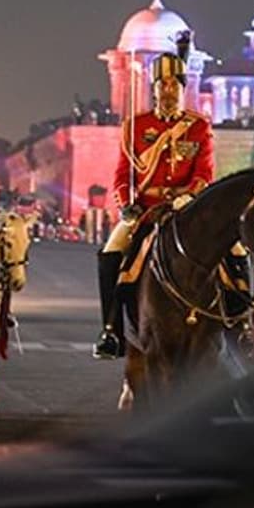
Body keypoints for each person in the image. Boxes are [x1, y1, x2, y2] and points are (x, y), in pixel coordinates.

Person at [93, 30, 213, 359]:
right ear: (154, 89)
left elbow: (204, 172)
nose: (169, 91)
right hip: (145, 209)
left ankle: (238, 325)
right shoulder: (136, 125)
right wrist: (125, 205)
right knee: (110, 254)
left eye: (175, 85)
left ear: (182, 89)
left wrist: (189, 195)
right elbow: (123, 174)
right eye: (163, 86)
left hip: (186, 208)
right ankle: (110, 330)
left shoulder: (198, 127)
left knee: (232, 250)